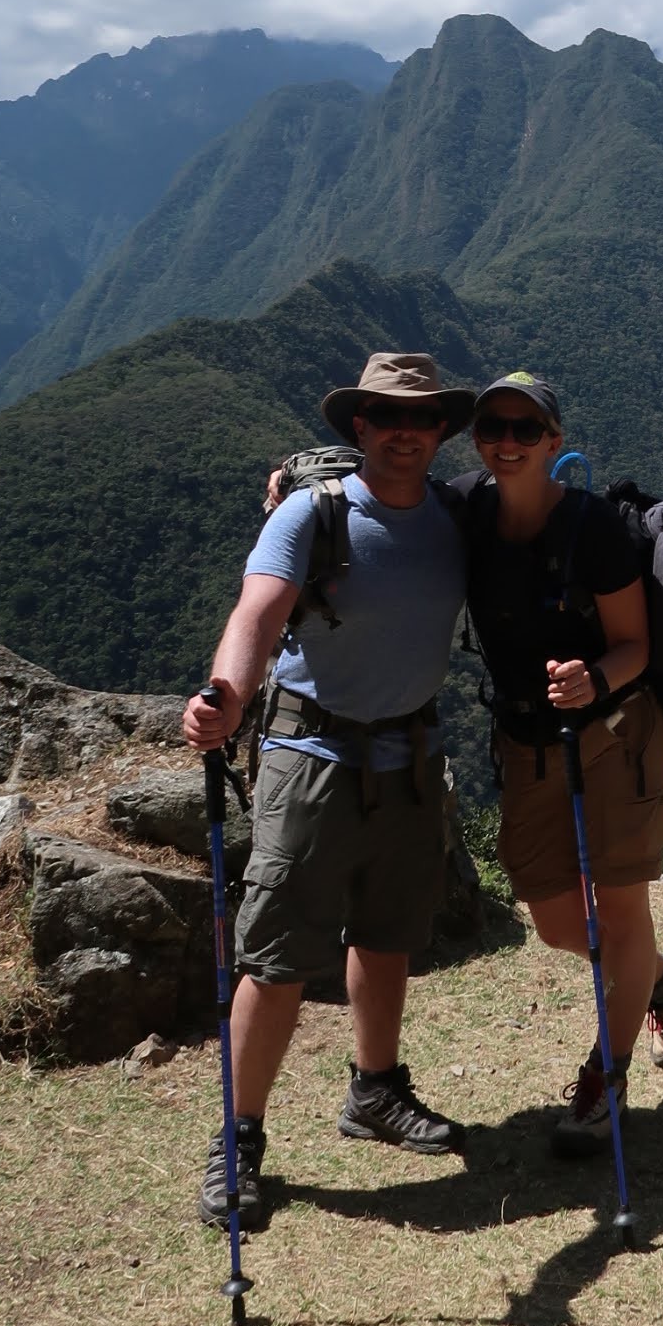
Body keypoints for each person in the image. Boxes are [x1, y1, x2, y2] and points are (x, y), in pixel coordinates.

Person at [182, 351, 476, 1232]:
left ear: (439, 430)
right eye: (387, 416)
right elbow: (257, 612)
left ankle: (375, 1091)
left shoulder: (456, 516)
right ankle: (238, 1139)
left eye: (420, 418)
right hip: (310, 754)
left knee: (388, 935)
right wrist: (226, 696)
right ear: (359, 425)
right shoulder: (312, 514)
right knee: (277, 956)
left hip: (411, 757)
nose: (404, 431)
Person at [454, 370, 663, 1154]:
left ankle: (607, 1078)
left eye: (525, 430)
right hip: (527, 747)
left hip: (613, 740)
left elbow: (635, 644)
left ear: (554, 442)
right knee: (554, 921)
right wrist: (299, 488)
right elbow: (383, 495)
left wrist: (594, 678)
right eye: (493, 428)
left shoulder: (593, 530)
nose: (507, 442)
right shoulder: (465, 506)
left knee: (620, 913)